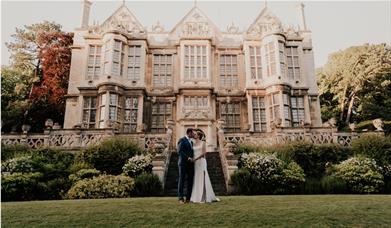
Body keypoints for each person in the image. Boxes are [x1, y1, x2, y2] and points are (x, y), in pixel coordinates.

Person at [190, 129, 219, 203]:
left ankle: (203, 196)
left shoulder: (203, 143)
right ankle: (196, 196)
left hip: (201, 161)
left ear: (199, 136)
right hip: (195, 163)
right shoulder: (193, 143)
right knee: (196, 178)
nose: (194, 135)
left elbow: (204, 153)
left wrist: (195, 159)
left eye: (196, 134)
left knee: (202, 177)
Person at [177, 128, 195, 204]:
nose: (193, 134)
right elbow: (180, 151)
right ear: (189, 133)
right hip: (183, 163)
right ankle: (181, 198)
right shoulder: (182, 140)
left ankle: (188, 198)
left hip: (190, 164)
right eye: (192, 133)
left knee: (190, 181)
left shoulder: (191, 142)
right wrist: (188, 158)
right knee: (182, 180)